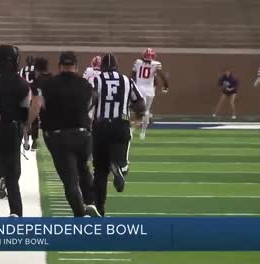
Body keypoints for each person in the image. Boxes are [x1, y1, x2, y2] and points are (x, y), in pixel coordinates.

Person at [28, 51, 97, 217]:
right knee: (83, 169)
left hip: (58, 136)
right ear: (76, 66)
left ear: (59, 66)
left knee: (70, 180)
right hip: (83, 134)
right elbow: (91, 104)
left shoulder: (48, 84)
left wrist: (27, 125)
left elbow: (37, 105)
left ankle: (80, 214)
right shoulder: (85, 84)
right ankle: (90, 202)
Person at [90, 53, 146, 217]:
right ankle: (120, 167)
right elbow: (140, 104)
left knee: (100, 170)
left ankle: (99, 208)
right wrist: (137, 115)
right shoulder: (126, 80)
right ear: (116, 66)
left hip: (100, 126)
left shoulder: (96, 79)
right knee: (120, 159)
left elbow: (91, 98)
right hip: (120, 124)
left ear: (102, 67)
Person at [0, 44, 30, 217]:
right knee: (14, 175)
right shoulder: (20, 83)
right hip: (12, 128)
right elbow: (26, 107)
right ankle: (16, 212)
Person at [131, 48, 169, 140]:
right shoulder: (156, 64)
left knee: (138, 110)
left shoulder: (138, 62)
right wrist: (166, 86)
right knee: (146, 111)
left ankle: (132, 129)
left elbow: (132, 75)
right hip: (149, 90)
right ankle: (143, 133)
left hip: (139, 88)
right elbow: (162, 76)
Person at [27, 57, 52, 150]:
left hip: (40, 106)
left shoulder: (37, 82)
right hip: (52, 109)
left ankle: (34, 140)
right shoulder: (52, 78)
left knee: (34, 119)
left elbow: (35, 102)